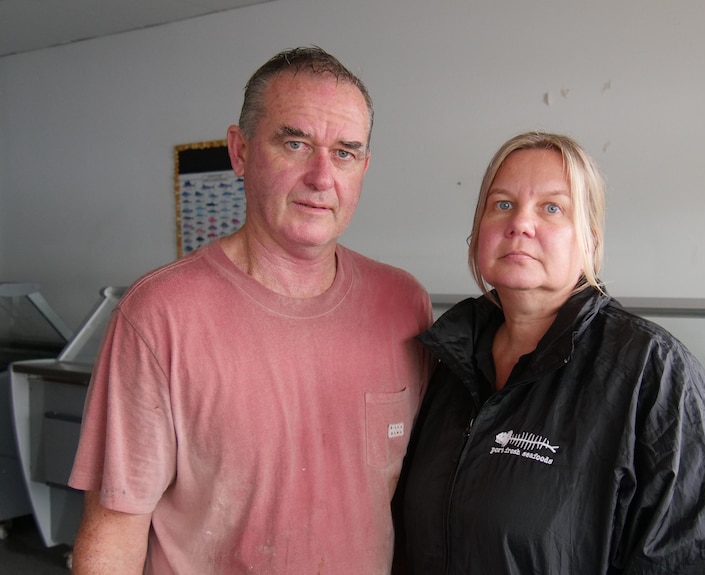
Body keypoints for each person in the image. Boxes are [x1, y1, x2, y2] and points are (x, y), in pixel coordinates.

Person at [69, 46, 432, 574]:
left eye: (346, 152)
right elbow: (112, 538)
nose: (322, 176)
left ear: (364, 168)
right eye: (295, 142)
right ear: (239, 152)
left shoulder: (404, 304)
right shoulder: (160, 315)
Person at [393, 131, 705, 574]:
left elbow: (692, 560)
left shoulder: (653, 371)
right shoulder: (447, 359)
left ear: (591, 241)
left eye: (552, 208)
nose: (520, 223)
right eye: (502, 204)